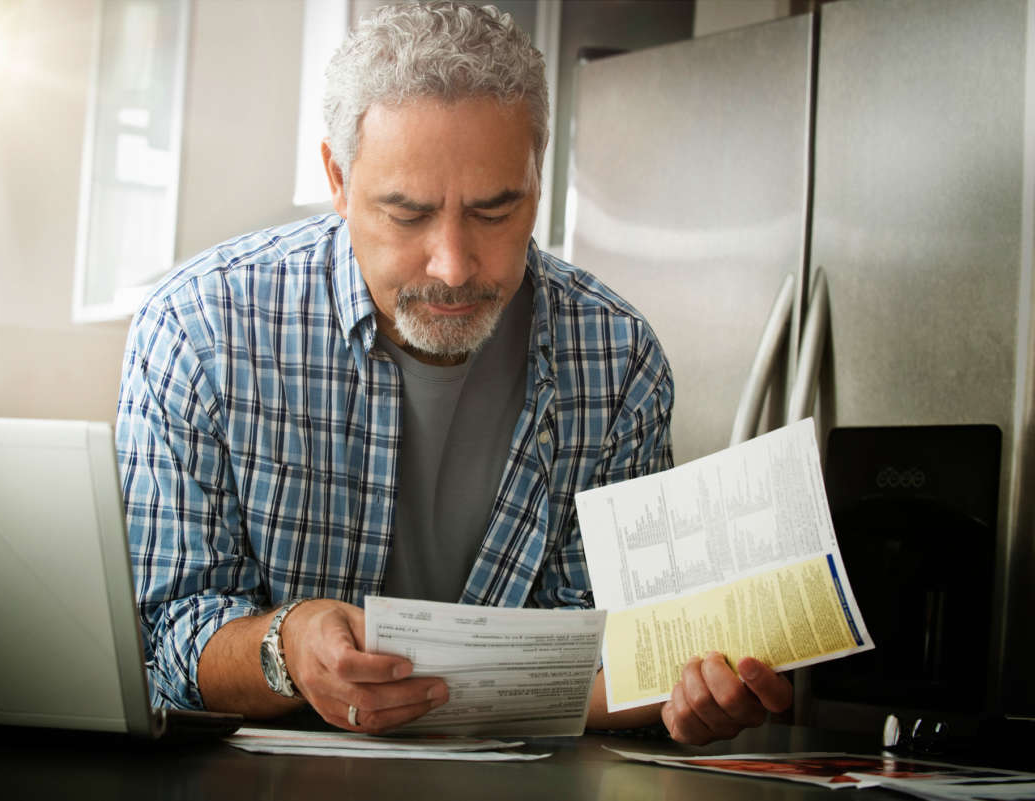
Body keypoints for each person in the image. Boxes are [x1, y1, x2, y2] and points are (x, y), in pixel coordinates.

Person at [114, 1, 791, 744]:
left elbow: (603, 656)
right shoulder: (200, 329)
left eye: (496, 211)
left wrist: (681, 697)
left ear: (538, 177)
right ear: (338, 178)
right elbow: (163, 642)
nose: (454, 265)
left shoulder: (619, 364)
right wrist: (285, 644)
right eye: (407, 215)